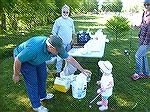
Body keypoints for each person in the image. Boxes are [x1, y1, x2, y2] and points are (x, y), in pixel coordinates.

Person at [13, 35, 91, 112]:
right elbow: (18, 60)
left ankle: (42, 96)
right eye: (57, 50)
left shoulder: (56, 47)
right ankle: (36, 106)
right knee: (33, 83)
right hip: (24, 60)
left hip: (37, 58)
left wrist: (82, 70)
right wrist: (16, 74)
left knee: (43, 76)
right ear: (50, 47)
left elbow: (69, 59)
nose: (59, 52)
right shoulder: (34, 49)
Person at [51, 4, 75, 76]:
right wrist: (57, 41)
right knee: (59, 58)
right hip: (60, 44)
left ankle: (68, 71)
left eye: (67, 12)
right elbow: (54, 32)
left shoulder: (71, 20)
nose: (65, 13)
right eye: (64, 12)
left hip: (69, 43)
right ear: (61, 12)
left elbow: (73, 32)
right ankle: (58, 71)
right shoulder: (58, 21)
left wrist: (73, 40)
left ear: (69, 12)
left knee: (69, 57)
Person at [131, 0, 150, 80]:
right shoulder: (144, 13)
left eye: (148, 4)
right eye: (144, 4)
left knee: (137, 55)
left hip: (147, 40)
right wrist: (136, 26)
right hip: (141, 38)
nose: (146, 6)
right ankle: (147, 73)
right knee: (143, 56)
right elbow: (143, 24)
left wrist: (145, 43)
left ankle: (138, 73)